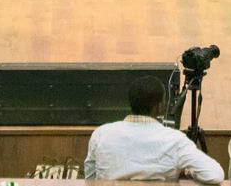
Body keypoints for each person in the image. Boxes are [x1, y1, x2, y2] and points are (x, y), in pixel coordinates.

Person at [83, 75, 223, 183]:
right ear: (159, 106)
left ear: (130, 102)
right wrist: (186, 172)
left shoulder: (101, 134)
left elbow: (90, 179)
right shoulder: (176, 140)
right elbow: (215, 175)